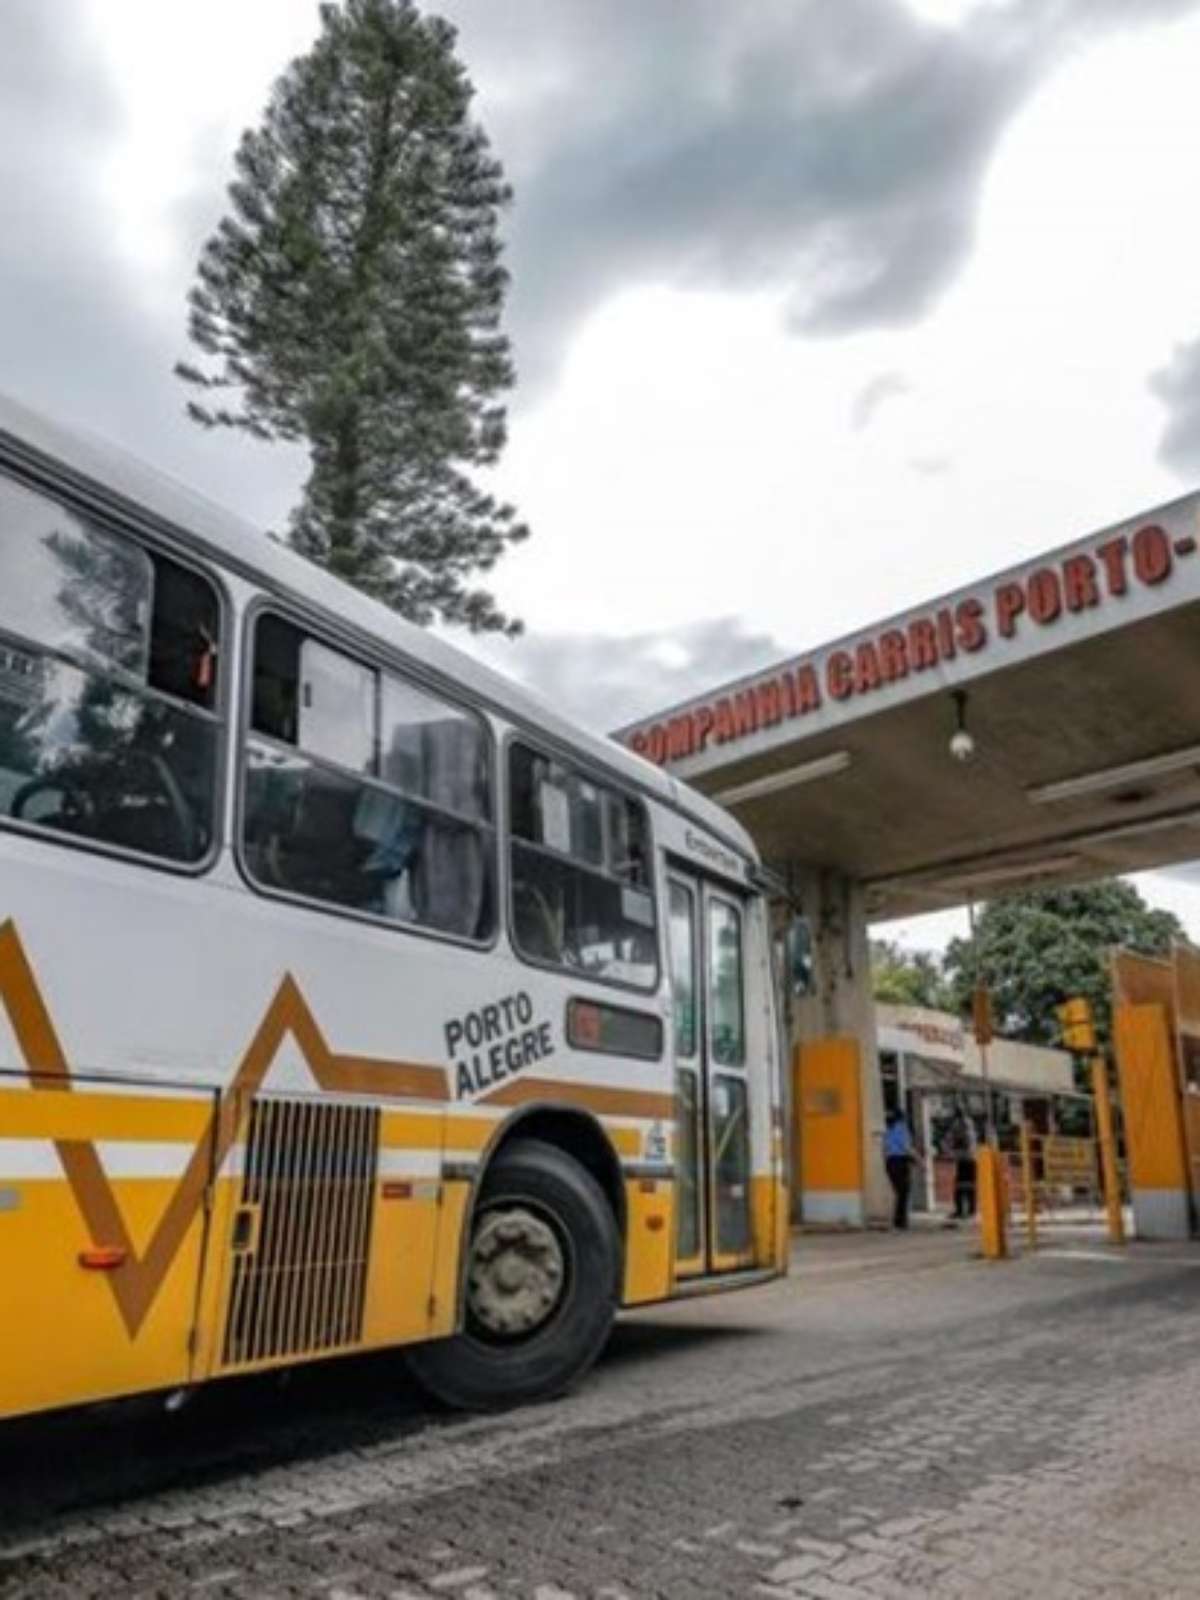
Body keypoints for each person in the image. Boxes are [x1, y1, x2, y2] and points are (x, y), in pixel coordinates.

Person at [883, 1108, 916, 1230]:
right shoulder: (902, 1129)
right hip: (900, 1162)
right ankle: (901, 1222)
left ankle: (899, 1221)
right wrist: (920, 1161)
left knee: (899, 1192)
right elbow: (906, 1147)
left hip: (890, 1162)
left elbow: (885, 1148)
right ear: (903, 1118)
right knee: (904, 1192)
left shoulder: (889, 1129)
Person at [945, 1109, 977, 1222]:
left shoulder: (963, 1128)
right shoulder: (968, 1126)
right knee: (968, 1186)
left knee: (961, 1186)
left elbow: (960, 1144)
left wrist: (950, 1146)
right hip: (969, 1159)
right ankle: (970, 1210)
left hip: (966, 1160)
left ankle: (963, 1210)